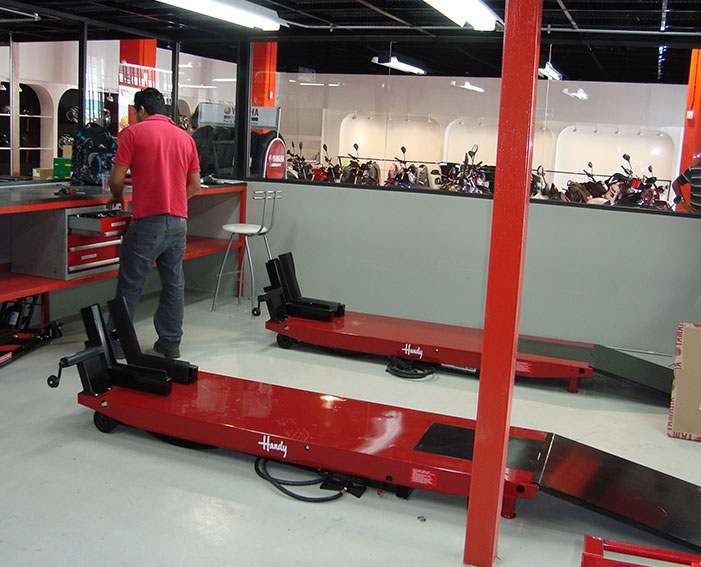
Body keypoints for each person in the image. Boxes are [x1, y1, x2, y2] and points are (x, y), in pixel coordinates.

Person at [107, 87, 201, 359]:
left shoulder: (133, 133)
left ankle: (117, 345)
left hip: (147, 222)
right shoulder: (185, 138)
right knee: (174, 283)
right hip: (178, 222)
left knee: (130, 284)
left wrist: (116, 197)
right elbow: (195, 185)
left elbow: (116, 179)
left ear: (141, 110)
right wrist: (175, 200)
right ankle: (170, 343)